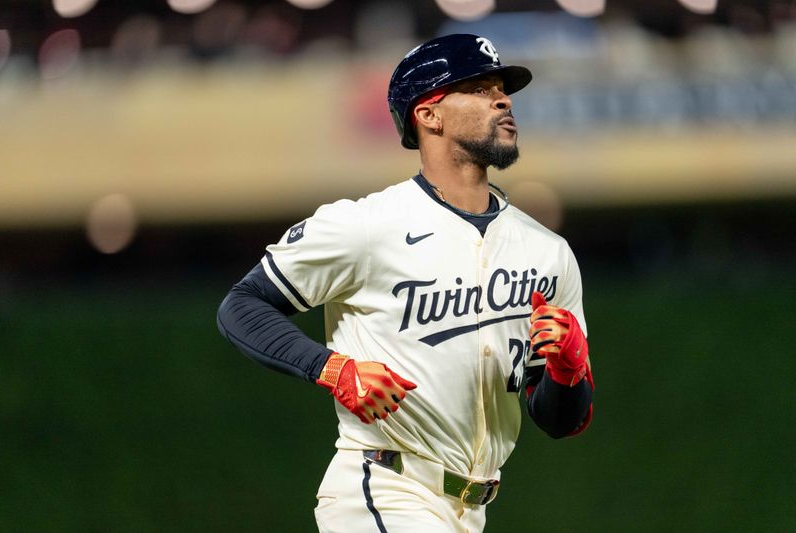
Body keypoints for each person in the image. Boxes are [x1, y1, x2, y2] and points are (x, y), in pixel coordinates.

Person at [217, 33, 594, 533]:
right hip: (382, 487)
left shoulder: (548, 252)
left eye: (501, 88)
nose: (502, 99)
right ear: (428, 114)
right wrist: (332, 368)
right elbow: (242, 305)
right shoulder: (366, 225)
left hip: (470, 508)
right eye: (478, 88)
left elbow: (560, 420)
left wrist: (568, 371)